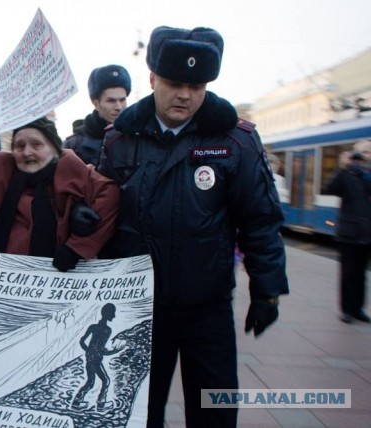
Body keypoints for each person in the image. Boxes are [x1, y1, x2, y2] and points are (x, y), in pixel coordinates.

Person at [96, 26, 289, 427]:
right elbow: (103, 212)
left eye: (196, 85)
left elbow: (260, 220)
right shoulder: (119, 141)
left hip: (208, 308)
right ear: (152, 80)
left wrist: (267, 291)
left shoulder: (235, 142)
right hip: (140, 310)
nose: (185, 94)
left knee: (214, 413)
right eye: (174, 83)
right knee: (137, 412)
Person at [0, 116, 119, 271]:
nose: (27, 152)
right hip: (6, 280)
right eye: (19, 146)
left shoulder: (72, 168)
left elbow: (110, 196)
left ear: (53, 149)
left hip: (59, 278)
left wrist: (77, 248)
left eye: (36, 144)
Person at [324, 141, 371, 324]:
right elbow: (330, 188)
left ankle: (358, 308)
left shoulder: (368, 176)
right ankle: (346, 310)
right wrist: (342, 167)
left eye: (369, 152)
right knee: (348, 273)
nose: (366, 156)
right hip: (349, 233)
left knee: (362, 274)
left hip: (367, 233)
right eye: (363, 152)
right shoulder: (345, 175)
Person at [63, 64, 131, 167]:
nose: (119, 107)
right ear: (96, 104)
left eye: (122, 100)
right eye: (111, 101)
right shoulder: (74, 145)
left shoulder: (138, 136)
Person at [71, 303, 124, 412]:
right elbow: (101, 350)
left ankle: (76, 402)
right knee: (105, 380)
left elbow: (82, 341)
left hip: (89, 358)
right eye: (113, 313)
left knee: (90, 381)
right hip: (96, 359)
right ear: (108, 314)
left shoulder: (93, 327)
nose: (114, 316)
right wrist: (116, 351)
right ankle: (101, 404)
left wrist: (88, 351)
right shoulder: (107, 330)